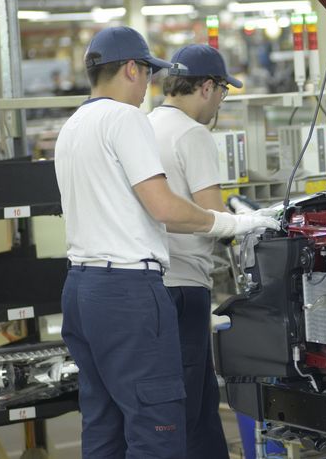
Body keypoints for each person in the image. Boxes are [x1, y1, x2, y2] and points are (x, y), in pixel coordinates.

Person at [54, 27, 279, 459]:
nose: (148, 86)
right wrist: (236, 223)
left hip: (81, 289)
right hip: (128, 292)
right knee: (157, 427)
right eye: (147, 74)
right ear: (131, 69)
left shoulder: (74, 125)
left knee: (104, 426)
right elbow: (165, 207)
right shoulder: (125, 118)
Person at [148, 44, 252, 458]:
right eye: (223, 91)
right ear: (207, 87)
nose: (220, 102)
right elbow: (213, 214)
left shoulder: (147, 124)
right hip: (186, 284)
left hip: (151, 281)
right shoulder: (193, 134)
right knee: (194, 402)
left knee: (180, 399)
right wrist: (251, 223)